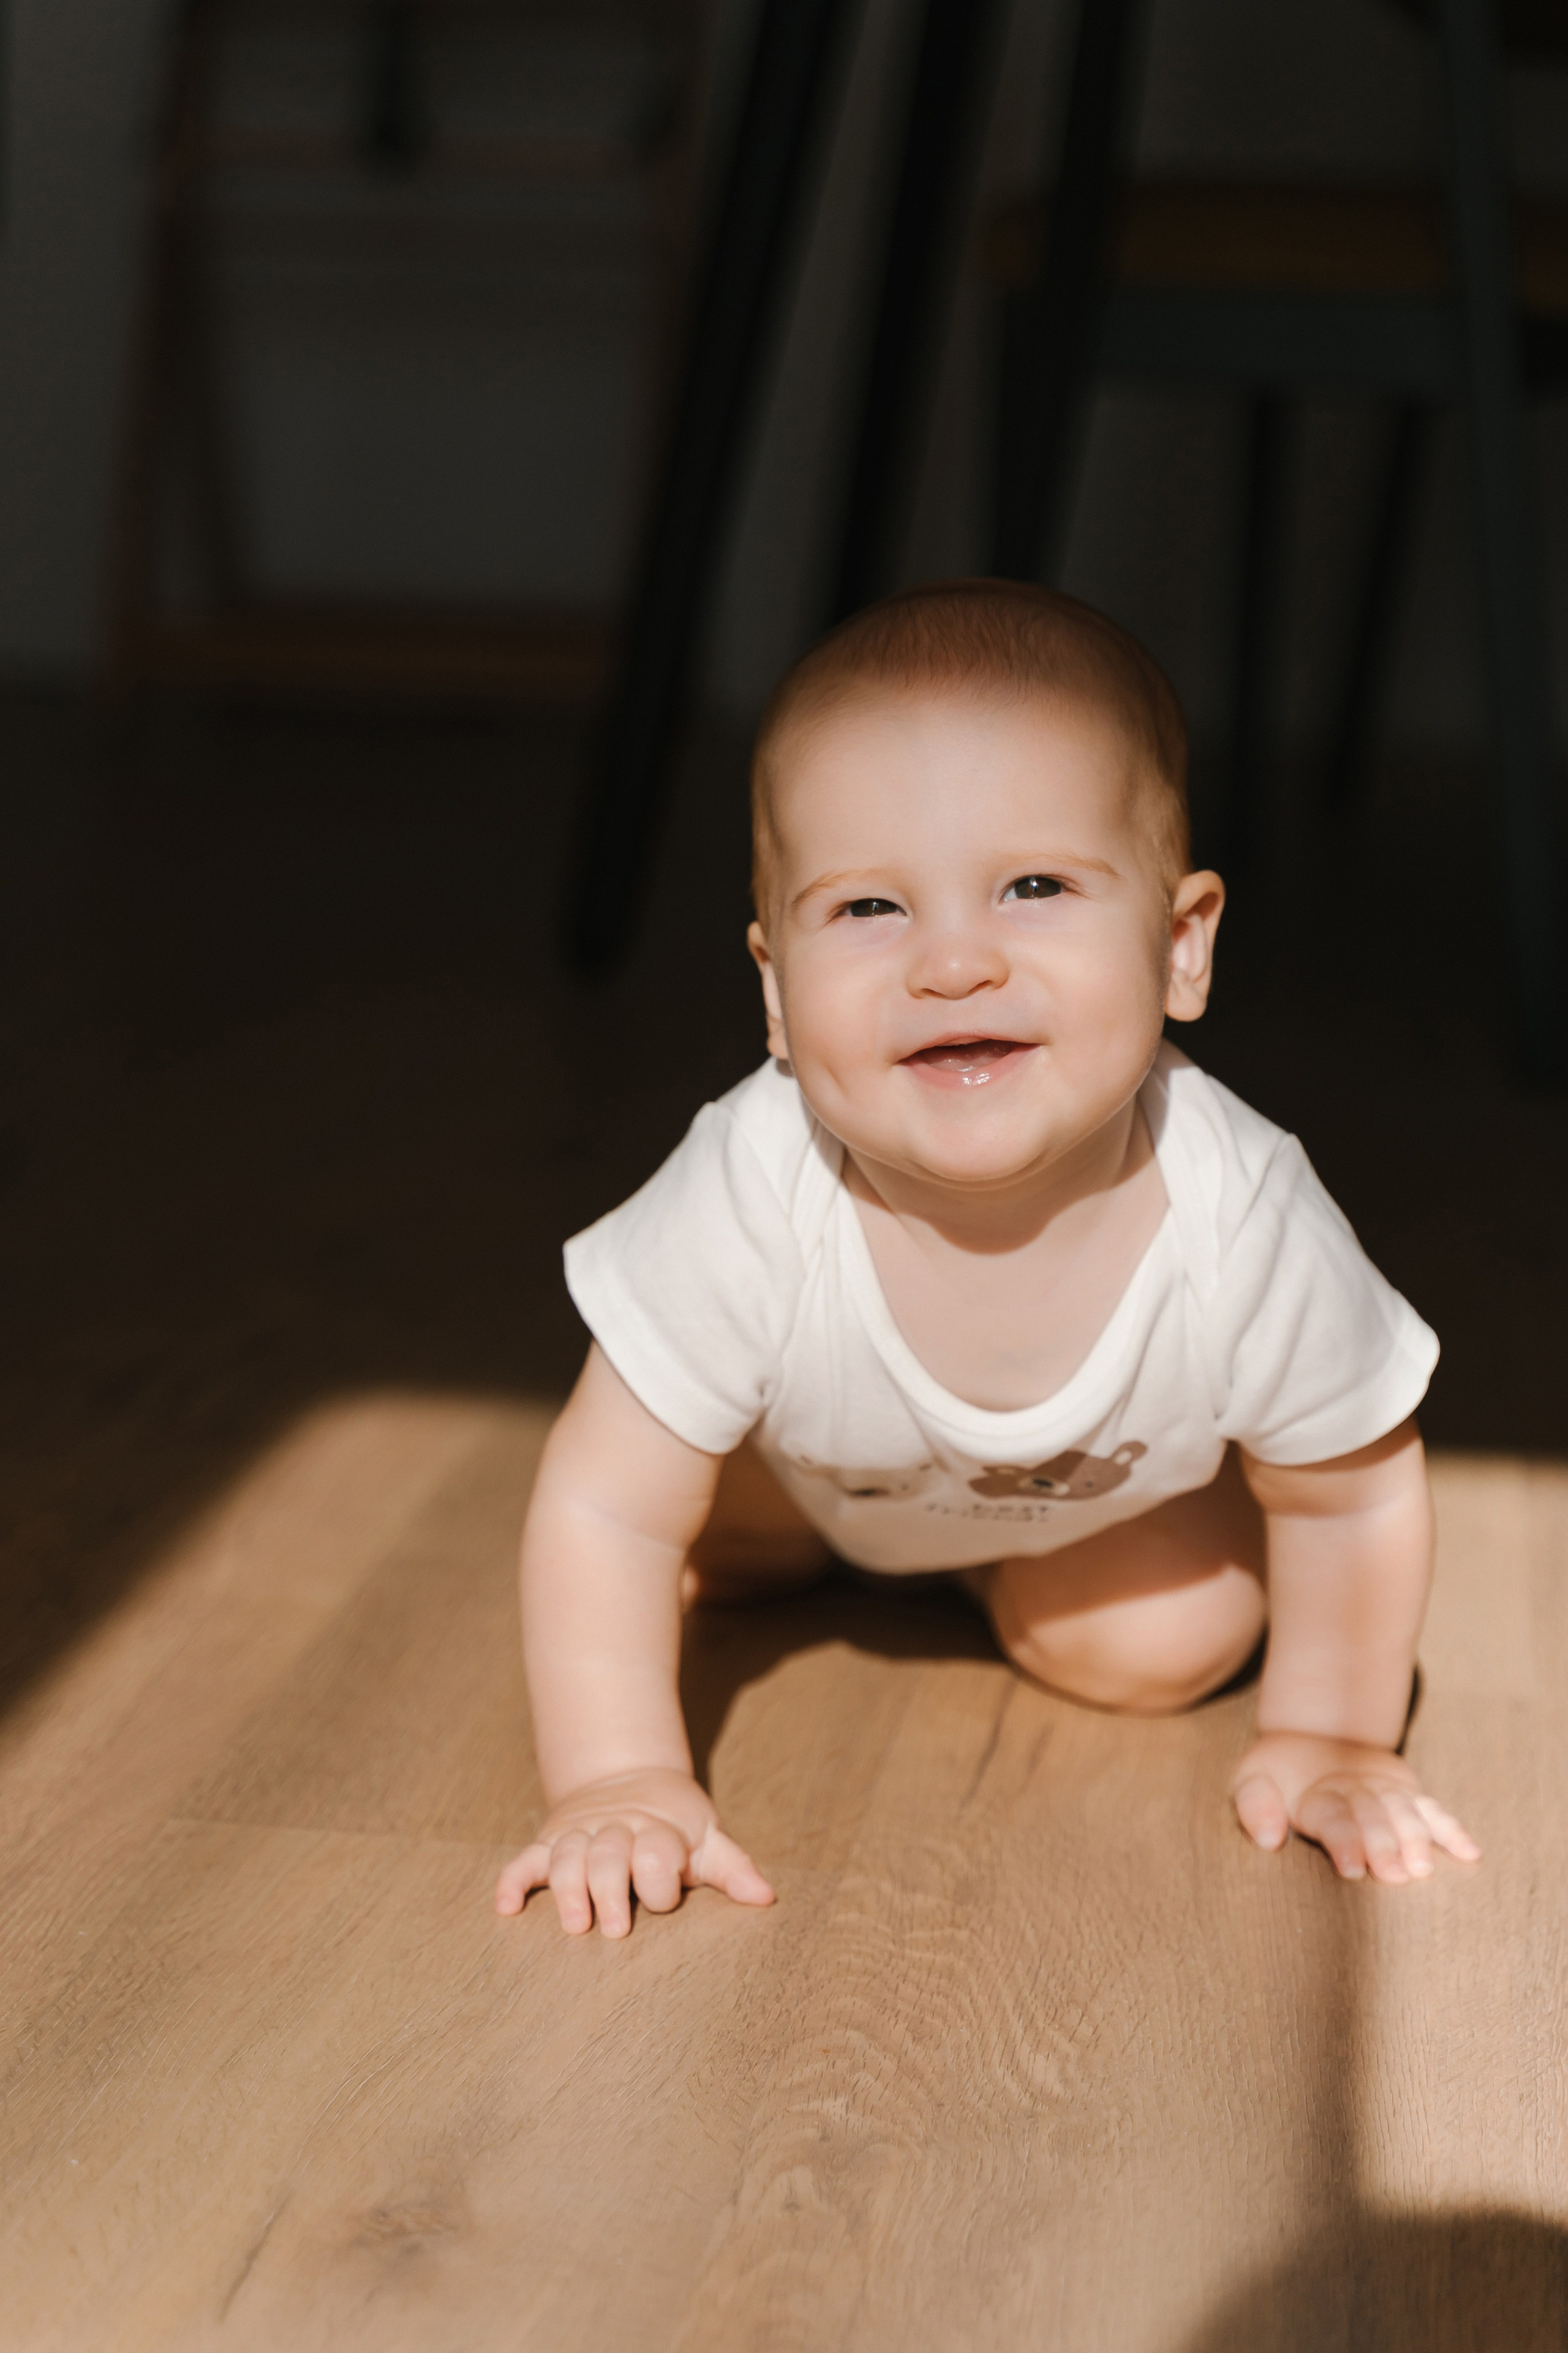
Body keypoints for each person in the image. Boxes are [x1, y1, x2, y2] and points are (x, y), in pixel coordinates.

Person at [496, 578, 1479, 1939]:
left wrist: (1330, 1734)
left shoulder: (1239, 1208)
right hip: (802, 1477)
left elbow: (1347, 1495)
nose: (952, 960)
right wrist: (616, 1776)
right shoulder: (752, 1180)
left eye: (1031, 886)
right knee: (663, 1510)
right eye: (865, 911)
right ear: (776, 990)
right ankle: (812, 1548)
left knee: (1175, 1636)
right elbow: (602, 1505)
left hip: (1083, 1511)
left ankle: (980, 1564)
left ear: (1180, 945)